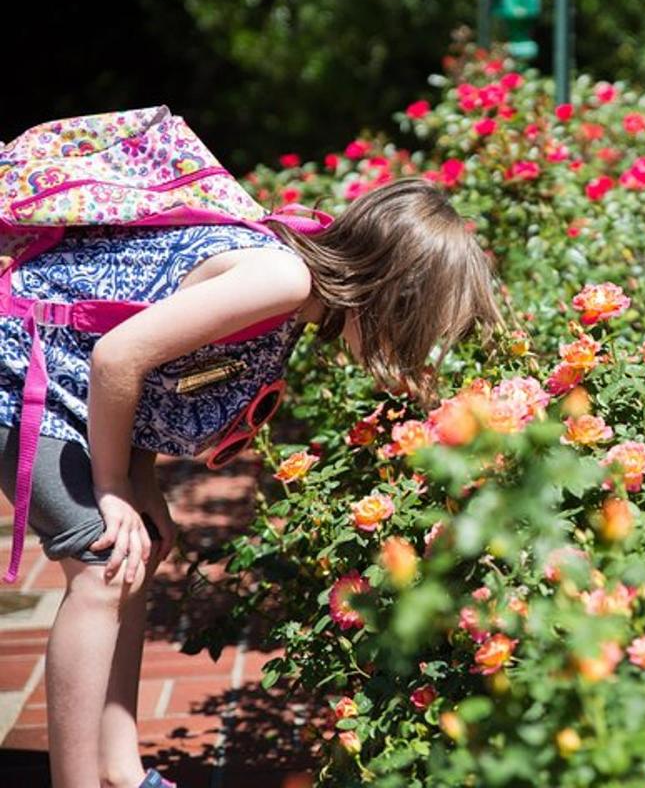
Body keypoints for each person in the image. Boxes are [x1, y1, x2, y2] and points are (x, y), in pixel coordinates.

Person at [0, 177, 500, 788]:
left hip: (73, 383)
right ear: (389, 289)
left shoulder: (296, 291)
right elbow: (117, 358)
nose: (401, 351)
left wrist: (141, 482)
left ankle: (119, 769)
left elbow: (157, 366)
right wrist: (110, 489)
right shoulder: (282, 280)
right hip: (25, 367)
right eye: (410, 328)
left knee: (138, 552)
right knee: (103, 561)